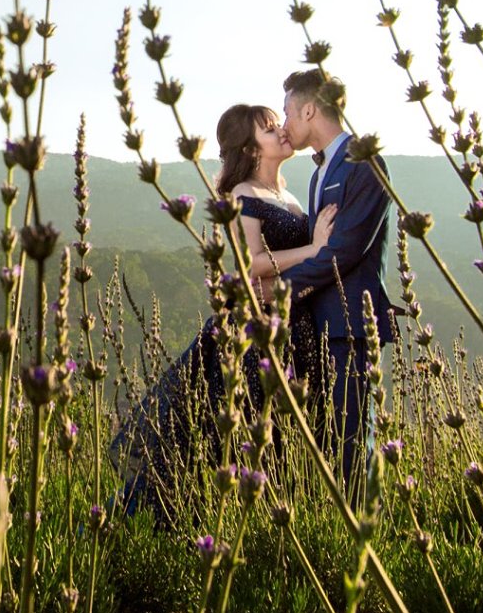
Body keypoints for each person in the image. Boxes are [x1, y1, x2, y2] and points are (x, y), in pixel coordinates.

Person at [110, 103, 335, 524]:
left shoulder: (287, 195)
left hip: (293, 327)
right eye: (269, 128)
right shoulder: (241, 196)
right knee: (244, 435)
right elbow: (250, 263)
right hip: (252, 335)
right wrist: (315, 248)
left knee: (292, 439)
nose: (282, 131)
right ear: (250, 149)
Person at [254, 69, 398, 503]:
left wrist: (278, 292)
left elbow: (341, 252)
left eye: (288, 113)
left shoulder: (364, 162)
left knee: (354, 443)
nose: (285, 123)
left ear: (310, 110)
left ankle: (363, 538)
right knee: (327, 444)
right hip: (315, 328)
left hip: (351, 327)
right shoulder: (319, 176)